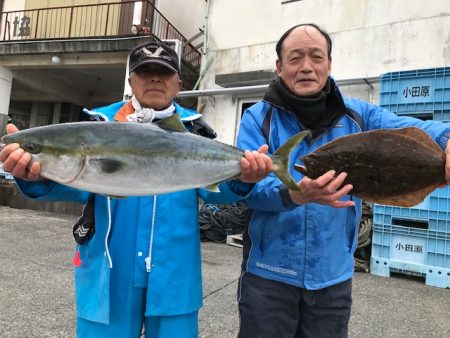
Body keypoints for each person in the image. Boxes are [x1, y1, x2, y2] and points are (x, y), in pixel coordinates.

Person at [0, 41, 273, 338]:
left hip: (173, 274)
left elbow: (214, 192)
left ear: (179, 84)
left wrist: (243, 177)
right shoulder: (97, 126)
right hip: (109, 271)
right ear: (131, 81)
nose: (155, 78)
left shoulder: (197, 133)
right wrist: (33, 173)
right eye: (145, 72)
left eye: (164, 73)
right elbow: (72, 187)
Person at [236, 23, 450, 338]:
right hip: (269, 278)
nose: (306, 67)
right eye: (295, 58)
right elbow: (247, 190)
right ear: (279, 67)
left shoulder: (360, 117)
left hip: (332, 279)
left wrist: (446, 139)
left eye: (316, 57)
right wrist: (295, 194)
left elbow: (411, 129)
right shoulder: (257, 118)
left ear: (329, 64)